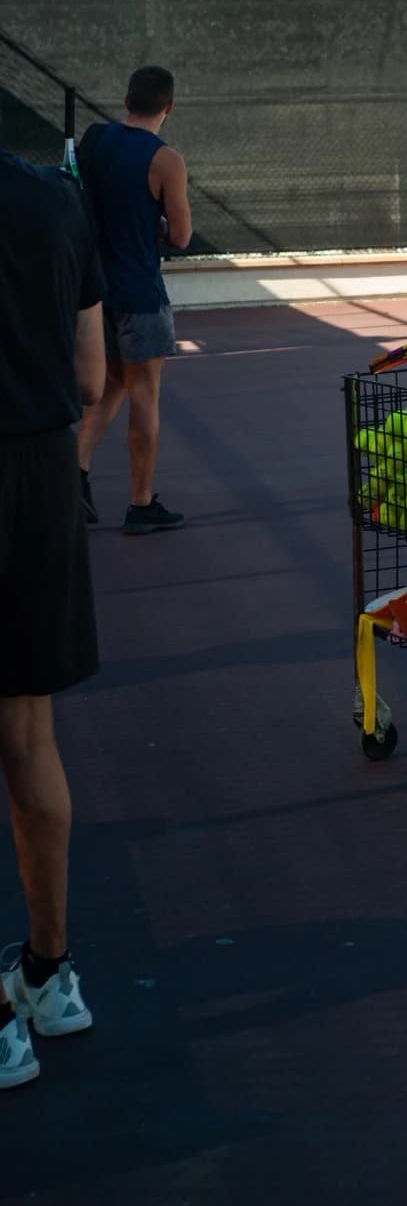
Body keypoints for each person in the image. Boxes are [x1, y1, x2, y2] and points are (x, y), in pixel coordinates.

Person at [0, 147, 106, 1090]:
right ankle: (49, 971)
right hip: (35, 476)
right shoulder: (54, 198)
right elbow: (91, 374)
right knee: (29, 733)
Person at [76, 66, 192, 534]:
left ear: (126, 100)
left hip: (95, 291)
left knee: (112, 385)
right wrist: (154, 224)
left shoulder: (95, 140)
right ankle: (141, 504)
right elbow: (181, 236)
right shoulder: (166, 160)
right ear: (169, 107)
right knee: (144, 394)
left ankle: (75, 474)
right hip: (140, 292)